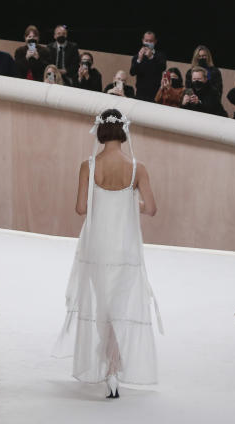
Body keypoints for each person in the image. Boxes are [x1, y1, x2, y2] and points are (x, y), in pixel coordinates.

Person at [56, 109, 160, 398]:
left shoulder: (89, 166)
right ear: (124, 131)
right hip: (126, 244)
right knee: (118, 304)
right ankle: (114, 367)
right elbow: (151, 208)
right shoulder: (138, 168)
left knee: (103, 304)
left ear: (100, 132)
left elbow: (81, 208)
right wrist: (129, 202)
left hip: (97, 243)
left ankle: (110, 366)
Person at [129, 31, 167, 101]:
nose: (148, 43)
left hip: (155, 94)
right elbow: (132, 72)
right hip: (140, 94)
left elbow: (162, 68)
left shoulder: (160, 56)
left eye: (151, 41)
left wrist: (151, 57)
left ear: (155, 42)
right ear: (143, 41)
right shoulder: (137, 56)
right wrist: (139, 60)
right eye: (146, 41)